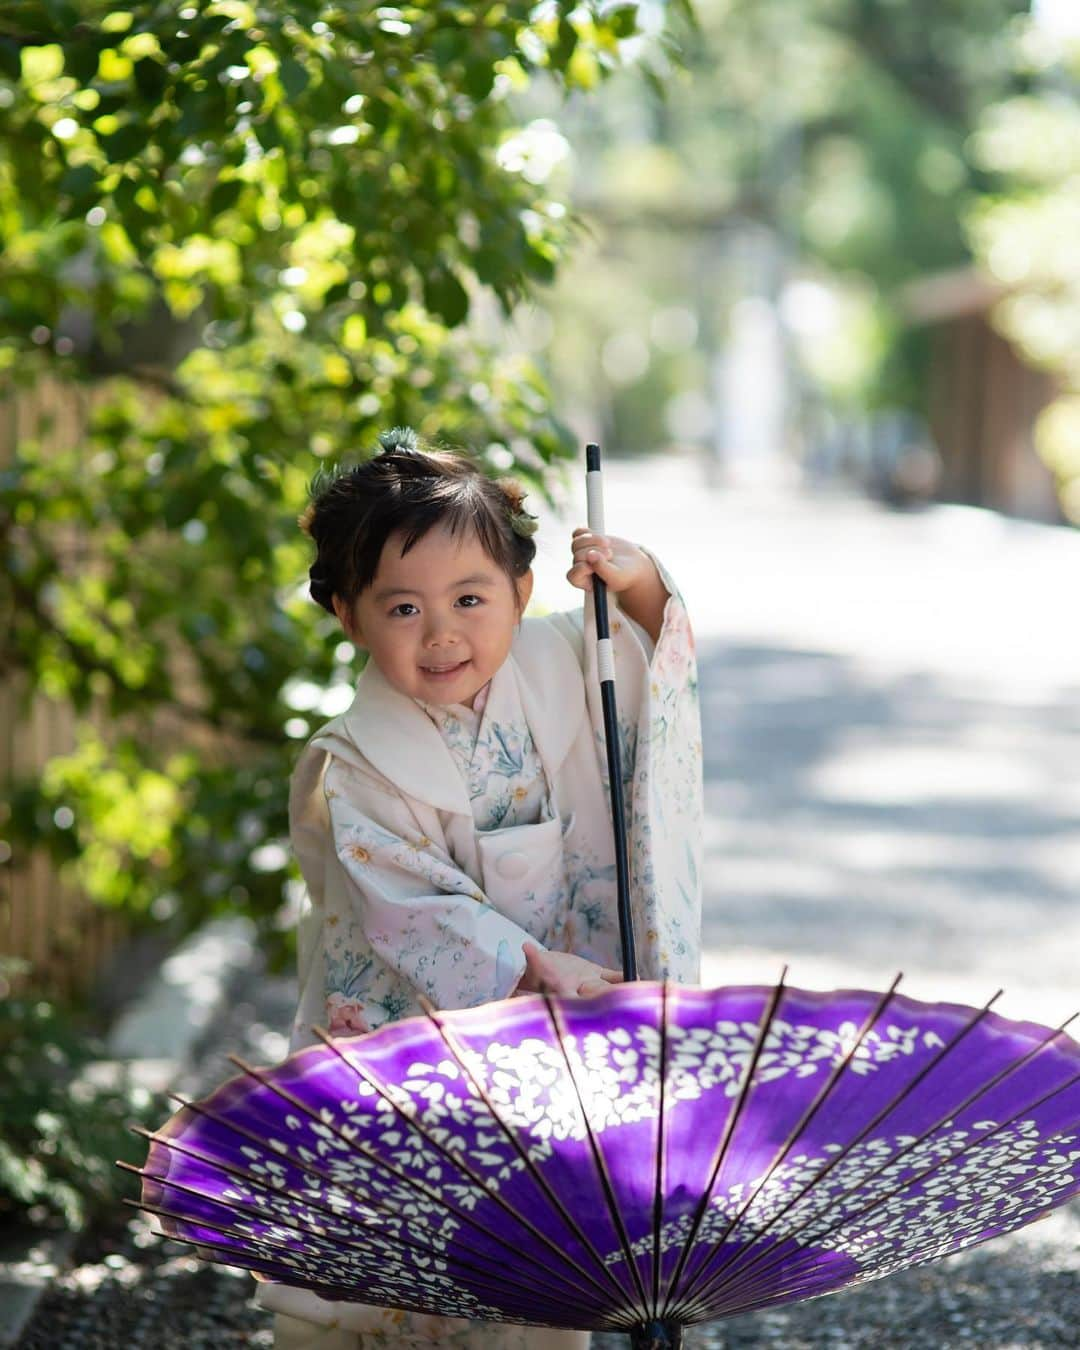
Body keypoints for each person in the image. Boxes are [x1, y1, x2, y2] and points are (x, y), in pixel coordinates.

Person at [259, 427, 703, 1350]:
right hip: (421, 1017)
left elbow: (654, 673)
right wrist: (528, 965)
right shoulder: (358, 761)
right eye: (404, 608)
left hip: (560, 1015)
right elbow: (403, 899)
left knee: (549, 1246)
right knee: (411, 1232)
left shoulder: (567, 661)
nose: (444, 633)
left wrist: (643, 583)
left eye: (470, 597)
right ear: (348, 614)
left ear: (522, 593)